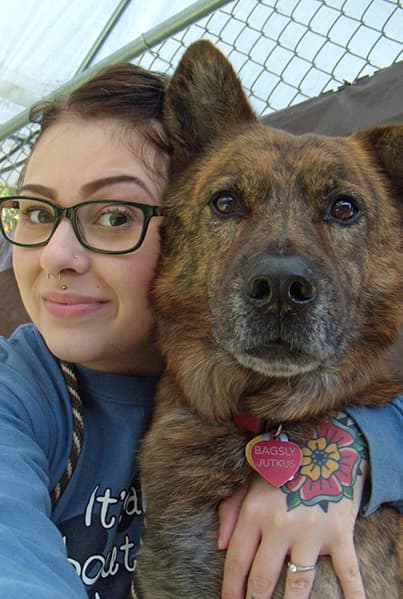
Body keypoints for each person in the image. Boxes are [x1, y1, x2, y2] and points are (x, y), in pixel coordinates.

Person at [0, 62, 401, 599]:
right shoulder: (23, 393)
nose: (57, 256)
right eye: (34, 210)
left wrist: (351, 449)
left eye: (115, 215)